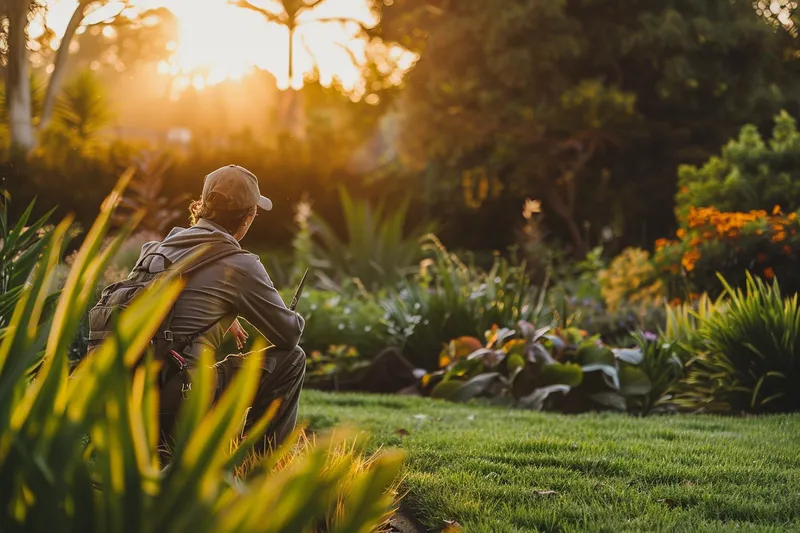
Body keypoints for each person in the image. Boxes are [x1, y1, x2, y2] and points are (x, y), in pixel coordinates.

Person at [92, 164, 305, 453]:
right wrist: (294, 318)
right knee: (292, 360)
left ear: (202, 206)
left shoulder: (157, 250)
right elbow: (287, 336)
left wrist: (225, 314)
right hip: (175, 403)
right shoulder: (241, 264)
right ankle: (258, 468)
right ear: (249, 216)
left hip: (120, 395)